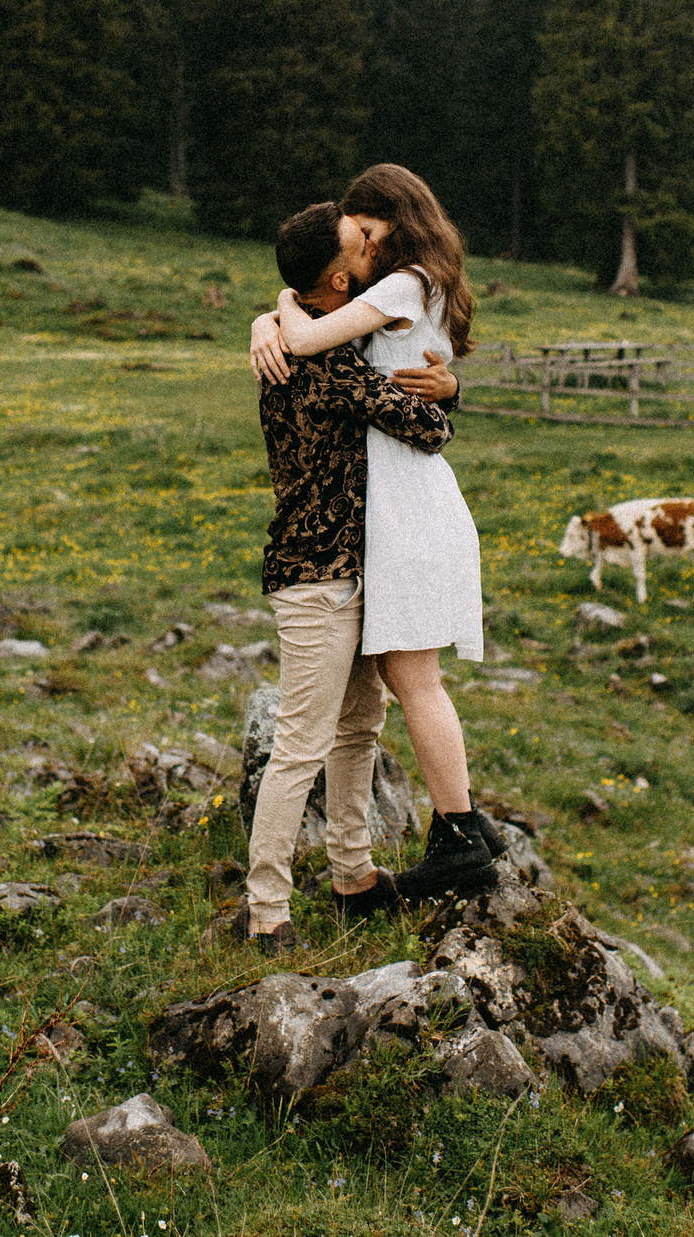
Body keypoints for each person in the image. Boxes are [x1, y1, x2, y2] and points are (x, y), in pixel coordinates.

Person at [249, 163, 506, 903]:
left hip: (406, 505)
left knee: (410, 678)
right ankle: (461, 825)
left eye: (366, 232)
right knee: (401, 684)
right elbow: (331, 341)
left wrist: (275, 312)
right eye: (352, 242)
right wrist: (272, 315)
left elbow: (311, 336)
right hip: (390, 512)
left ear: (396, 219)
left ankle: (458, 828)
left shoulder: (399, 286)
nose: (361, 250)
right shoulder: (416, 286)